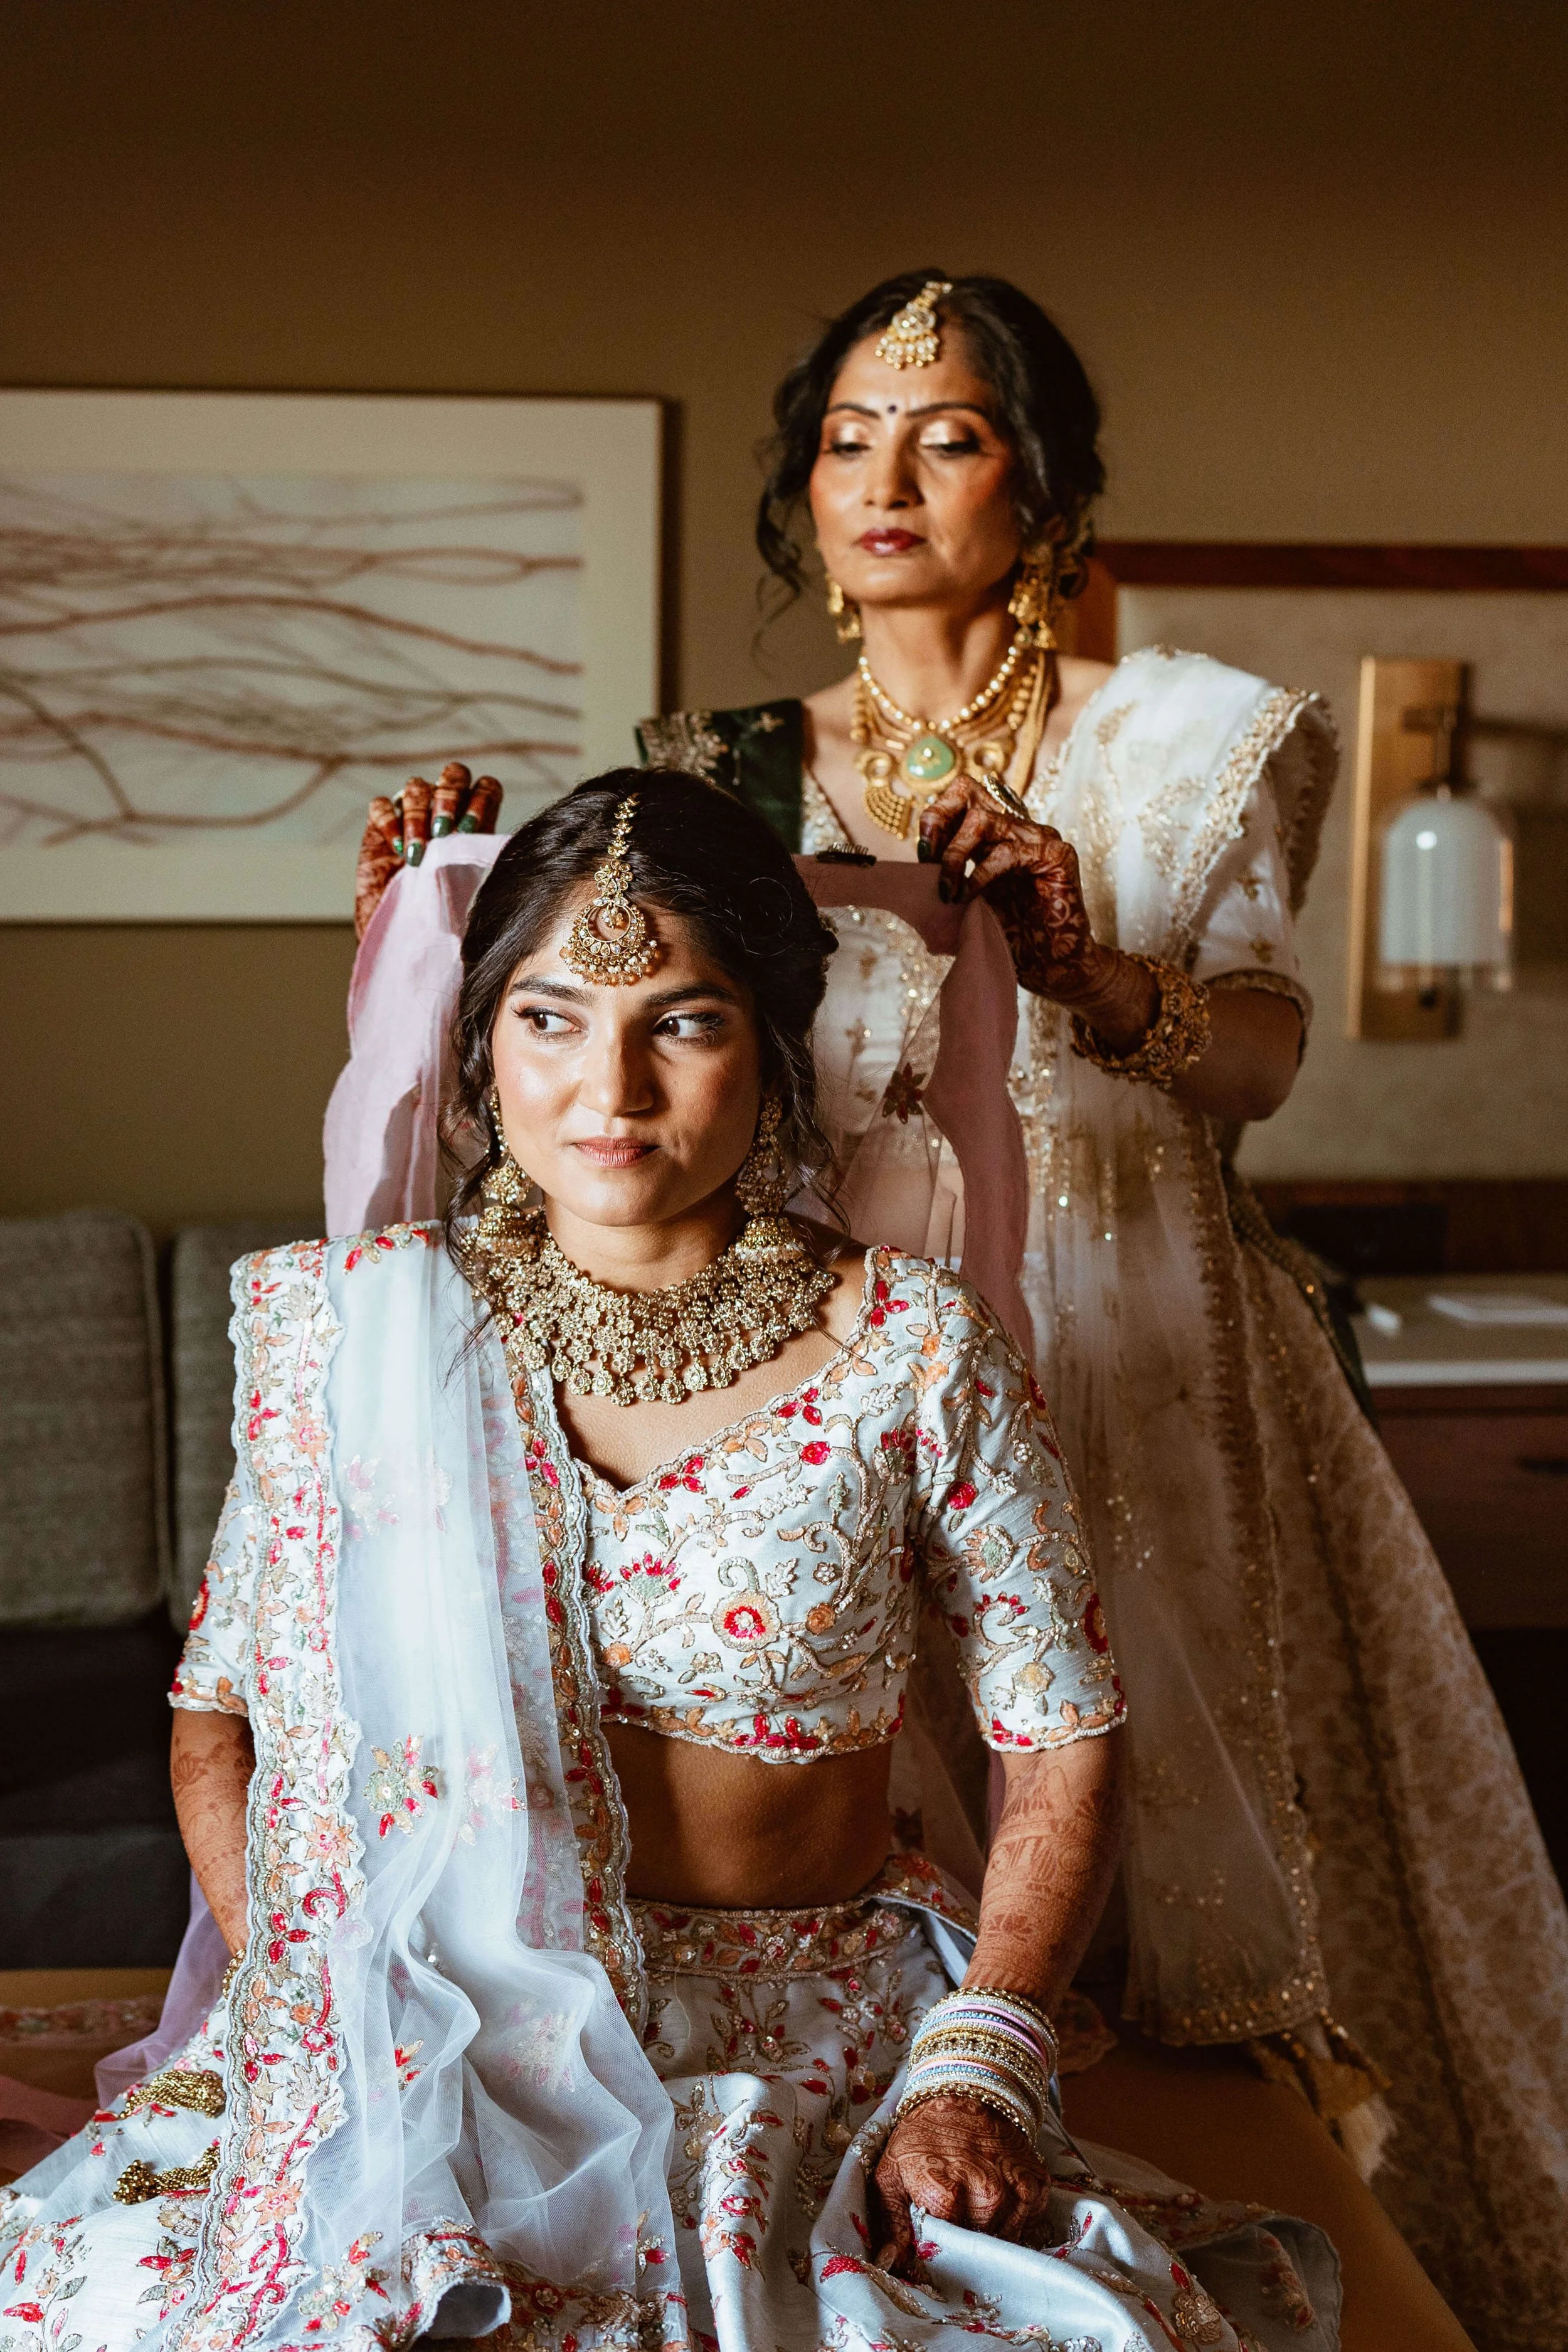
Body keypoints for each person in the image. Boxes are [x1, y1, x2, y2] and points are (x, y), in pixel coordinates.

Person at [0, 777, 1340, 2352]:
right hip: (432, 2030)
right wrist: (330, 2013)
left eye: (682, 1023)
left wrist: (975, 2064)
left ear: (771, 1053)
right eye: (550, 1019)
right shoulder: (360, 1335)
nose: (608, 1087)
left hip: (805, 2048)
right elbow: (219, 1723)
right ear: (479, 1049)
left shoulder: (909, 1355)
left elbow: (1058, 1749)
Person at [620, 272, 1568, 2347]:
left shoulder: (1190, 741)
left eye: (948, 434)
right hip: (839, 1349)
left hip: (1134, 1338)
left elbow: (1257, 1062)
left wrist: (1090, 970)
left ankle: (1254, 2243)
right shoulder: (717, 760)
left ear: (1039, 492)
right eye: (851, 434)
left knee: (1175, 1873)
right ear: (801, 482)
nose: (887, 476)